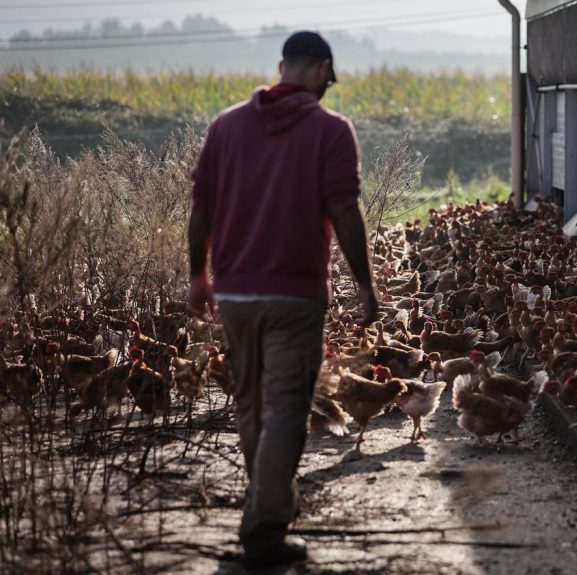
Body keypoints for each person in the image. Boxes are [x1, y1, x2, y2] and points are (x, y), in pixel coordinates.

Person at [186, 30, 378, 568]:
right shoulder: (331, 131)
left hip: (235, 293)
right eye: (327, 81)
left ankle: (267, 502)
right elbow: (344, 212)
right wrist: (364, 283)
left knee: (250, 406)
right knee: (287, 409)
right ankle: (265, 527)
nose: (326, 90)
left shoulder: (225, 126)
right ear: (319, 70)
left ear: (281, 67)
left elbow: (200, 210)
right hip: (294, 294)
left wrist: (197, 276)